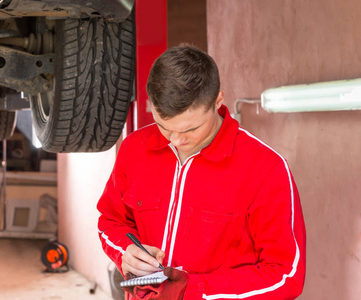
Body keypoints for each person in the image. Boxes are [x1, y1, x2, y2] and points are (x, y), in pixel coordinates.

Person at [97, 44, 306, 299]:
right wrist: (125, 251)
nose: (175, 140)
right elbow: (110, 221)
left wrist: (194, 291)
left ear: (218, 100)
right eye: (164, 126)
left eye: (189, 129)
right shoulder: (134, 149)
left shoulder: (265, 169)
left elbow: (286, 275)